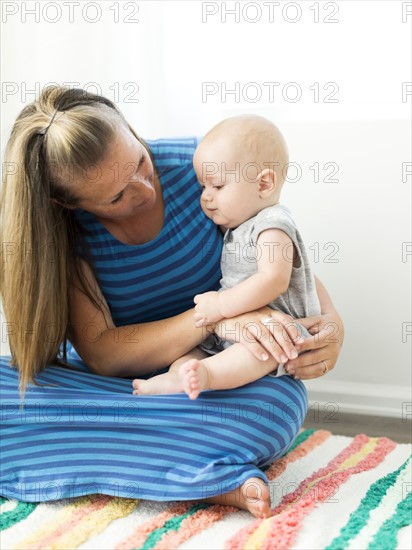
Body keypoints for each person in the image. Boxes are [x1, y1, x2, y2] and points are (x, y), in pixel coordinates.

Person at [0, 86, 344, 519]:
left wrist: (331, 324)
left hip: (205, 381)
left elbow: (277, 249)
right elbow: (105, 354)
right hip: (113, 387)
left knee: (277, 403)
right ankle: (200, 472)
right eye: (116, 197)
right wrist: (217, 317)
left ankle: (131, 458)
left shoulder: (203, 171)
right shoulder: (62, 232)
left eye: (141, 161)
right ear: (66, 203)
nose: (144, 189)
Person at [132, 115, 322, 401]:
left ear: (264, 184)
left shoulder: (273, 224)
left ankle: (207, 376)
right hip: (232, 327)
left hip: (275, 330)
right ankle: (176, 379)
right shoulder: (237, 225)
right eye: (202, 187)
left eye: (218, 186)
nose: (206, 197)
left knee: (255, 353)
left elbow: (274, 279)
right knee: (190, 353)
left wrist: (221, 305)